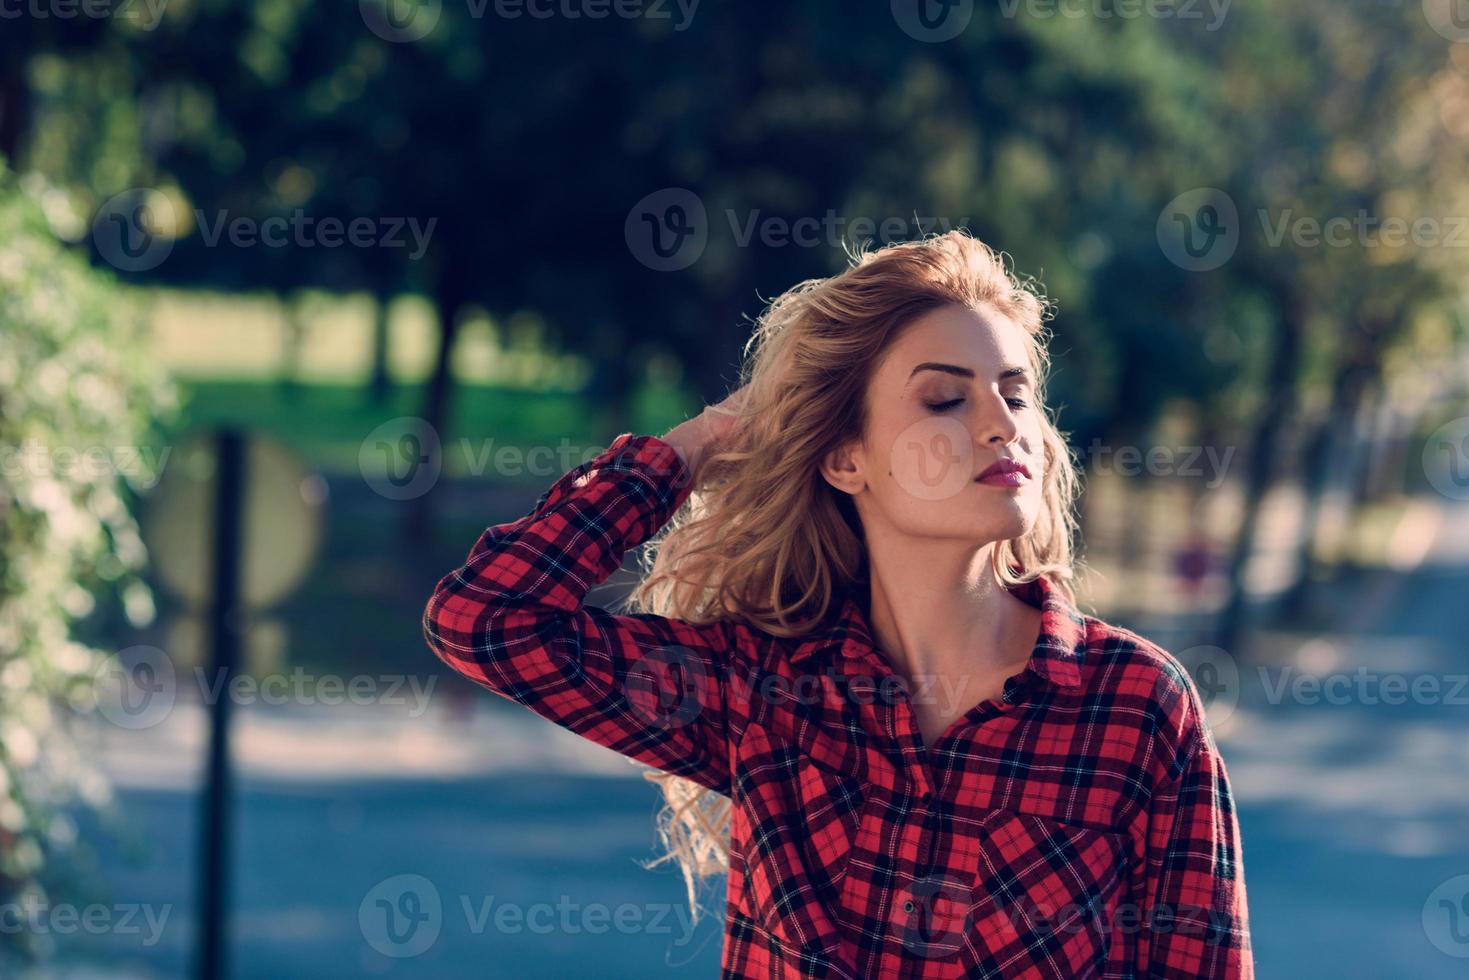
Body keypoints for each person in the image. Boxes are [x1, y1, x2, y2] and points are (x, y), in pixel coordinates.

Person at [422, 231, 1253, 978]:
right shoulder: (762, 691)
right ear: (846, 459)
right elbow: (488, 619)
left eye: (1016, 391)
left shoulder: (1136, 707)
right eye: (943, 399)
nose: (1003, 425)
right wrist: (706, 440)